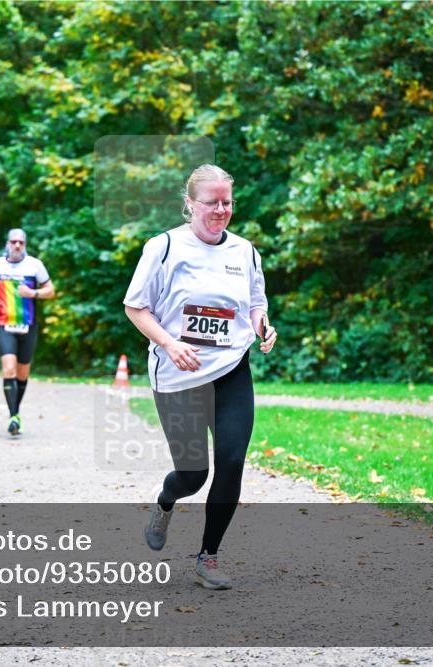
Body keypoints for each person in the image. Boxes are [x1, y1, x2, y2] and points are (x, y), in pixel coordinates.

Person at [123, 164, 277, 590]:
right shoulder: (164, 247)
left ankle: (208, 556)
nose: (221, 210)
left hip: (231, 367)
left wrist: (262, 325)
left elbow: (255, 302)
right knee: (193, 474)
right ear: (190, 203)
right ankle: (165, 502)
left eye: (227, 202)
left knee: (231, 461)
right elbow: (136, 308)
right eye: (212, 202)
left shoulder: (244, 251)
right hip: (179, 373)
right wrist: (170, 344)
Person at [0, 229, 55, 436]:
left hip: (27, 325)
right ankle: (13, 416)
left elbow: (51, 290)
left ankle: (16, 412)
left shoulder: (35, 265)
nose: (16, 246)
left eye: (20, 243)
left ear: (25, 245)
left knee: (22, 373)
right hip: (3, 323)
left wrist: (33, 293)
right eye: (13, 242)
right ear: (7, 243)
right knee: (8, 369)